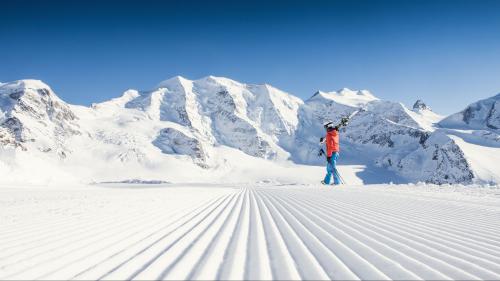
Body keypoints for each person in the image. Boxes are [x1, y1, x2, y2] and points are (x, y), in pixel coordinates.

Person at [319, 118, 348, 185]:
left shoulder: (329, 135)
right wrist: (324, 140)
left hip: (332, 153)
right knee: (329, 168)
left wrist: (329, 156)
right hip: (336, 152)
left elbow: (330, 146)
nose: (325, 129)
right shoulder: (335, 133)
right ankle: (326, 181)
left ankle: (336, 182)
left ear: (328, 126)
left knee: (332, 168)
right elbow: (332, 141)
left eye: (325, 127)